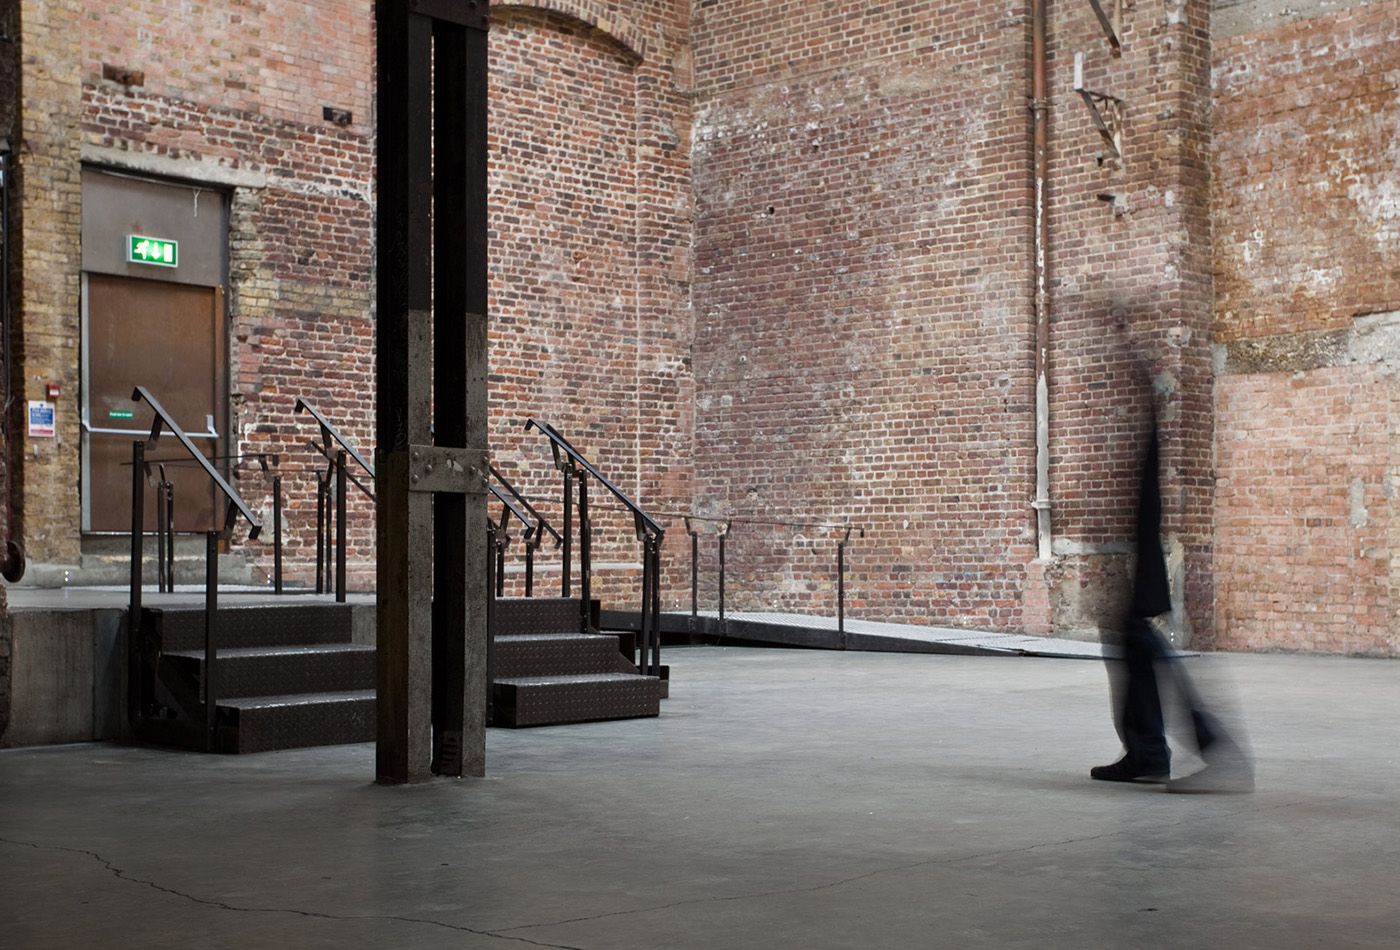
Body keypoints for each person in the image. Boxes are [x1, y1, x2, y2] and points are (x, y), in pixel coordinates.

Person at [1090, 415, 1254, 794]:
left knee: (1141, 639)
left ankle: (1213, 748)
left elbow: (1142, 497)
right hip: (1134, 553)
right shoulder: (1127, 403)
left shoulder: (1129, 398)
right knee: (1134, 642)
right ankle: (1148, 752)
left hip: (1137, 553)